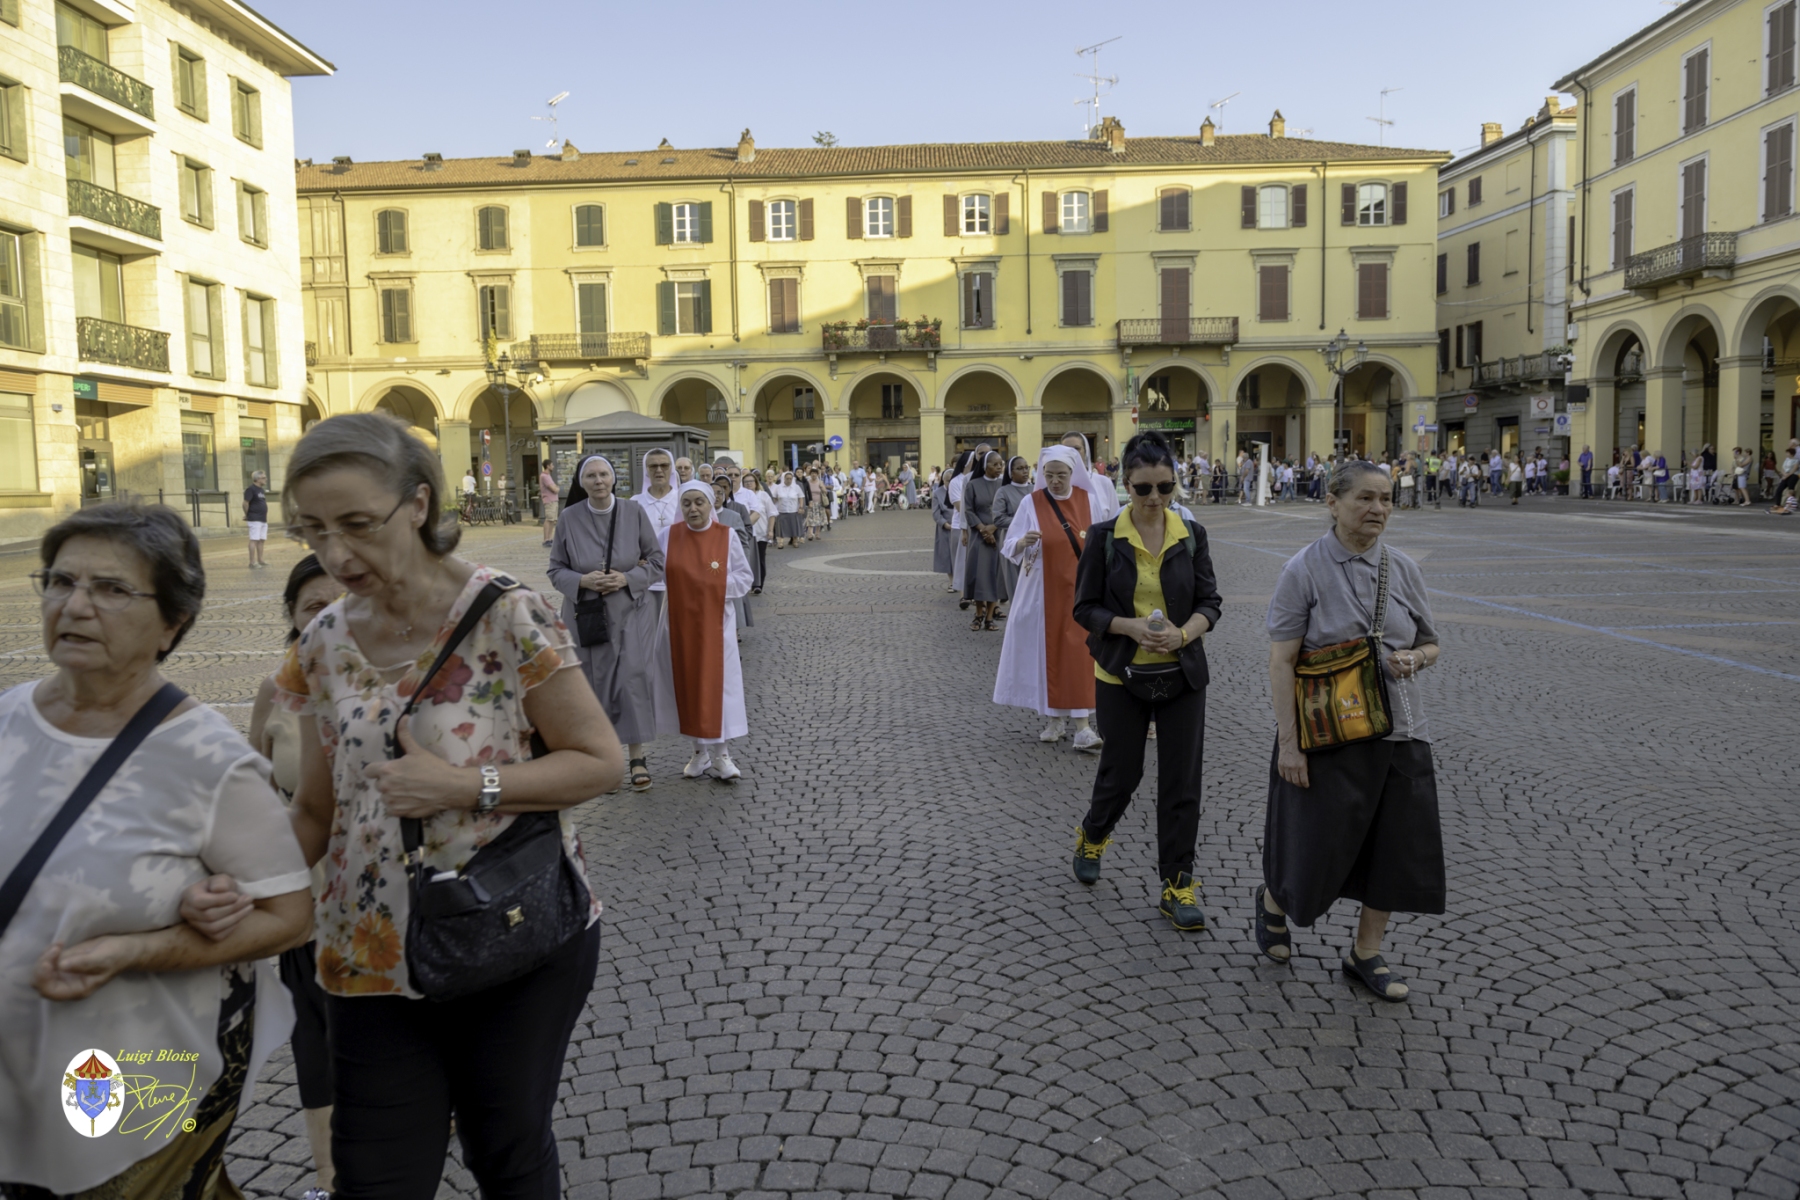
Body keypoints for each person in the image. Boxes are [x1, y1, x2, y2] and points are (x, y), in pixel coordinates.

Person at [251, 412, 624, 1196]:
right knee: (376, 1174)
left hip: (511, 932)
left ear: (418, 504)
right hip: (368, 950)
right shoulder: (319, 641)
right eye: (312, 530)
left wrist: (466, 786)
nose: (335, 553)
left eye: (357, 524)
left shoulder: (507, 615)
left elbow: (600, 762)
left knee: (505, 1149)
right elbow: (316, 815)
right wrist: (241, 883)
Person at [1, 502, 312, 1197]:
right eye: (59, 581)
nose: (75, 605)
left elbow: (291, 917)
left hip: (125, 1069)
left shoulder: (208, 760)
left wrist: (135, 948)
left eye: (111, 589)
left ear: (173, 622)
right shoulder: (6, 718)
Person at [1259, 460, 1444, 1003]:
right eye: (1365, 499)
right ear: (1332, 502)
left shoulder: (1404, 568)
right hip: (1328, 730)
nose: (1378, 510)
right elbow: (1281, 661)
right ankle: (1274, 900)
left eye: (1386, 499)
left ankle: (1366, 953)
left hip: (1401, 730)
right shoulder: (1303, 569)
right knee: (1318, 844)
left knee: (1394, 847)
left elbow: (1433, 643)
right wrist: (1289, 746)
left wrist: (1415, 657)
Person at [1068, 430, 1222, 931]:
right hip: (1120, 673)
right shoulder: (1105, 536)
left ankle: (1177, 884)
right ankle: (1093, 834)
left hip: (1182, 673)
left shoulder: (1191, 534)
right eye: (1143, 489)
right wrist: (1129, 626)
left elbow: (1209, 603)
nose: (1155, 499)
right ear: (1124, 485)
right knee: (1122, 772)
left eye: (1165, 487)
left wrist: (1183, 634)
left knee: (1182, 782)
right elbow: (1084, 608)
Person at [240, 554, 341, 1200]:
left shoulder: (396, 678)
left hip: (389, 905)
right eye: (311, 606)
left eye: (341, 601)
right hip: (305, 900)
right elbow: (249, 785)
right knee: (316, 1041)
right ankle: (331, 1179)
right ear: (293, 618)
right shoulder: (275, 693)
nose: (327, 616)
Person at [548, 454, 665, 793]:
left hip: (630, 610)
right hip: (586, 614)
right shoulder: (569, 518)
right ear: (581, 483)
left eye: (603, 474)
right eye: (591, 476)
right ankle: (606, 760)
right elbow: (556, 569)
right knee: (593, 686)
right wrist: (584, 582)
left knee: (631, 679)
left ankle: (637, 756)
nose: (598, 481)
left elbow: (657, 561)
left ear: (614, 479)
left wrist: (626, 579)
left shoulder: (633, 512)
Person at [995, 447, 1102, 753]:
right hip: (1042, 591)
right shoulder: (1032, 501)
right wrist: (1022, 542)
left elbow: (1105, 540)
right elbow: (1011, 543)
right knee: (1048, 654)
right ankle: (1055, 719)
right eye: (1049, 475)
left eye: (1062, 475)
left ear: (1073, 473)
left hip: (1082, 591)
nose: (1055, 481)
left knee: (1079, 655)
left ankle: (1083, 726)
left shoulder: (1089, 500)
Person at [650, 482, 754, 781]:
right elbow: (653, 574)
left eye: (699, 502)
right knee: (688, 684)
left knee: (717, 687)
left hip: (717, 627)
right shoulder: (667, 536)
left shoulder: (727, 536)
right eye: (686, 503)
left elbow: (743, 577)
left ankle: (721, 755)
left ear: (711, 504)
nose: (693, 509)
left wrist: (709, 587)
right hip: (677, 626)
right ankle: (699, 752)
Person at [962, 452, 1008, 631]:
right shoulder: (973, 485)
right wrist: (983, 529)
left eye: (1001, 464)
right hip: (978, 536)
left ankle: (990, 617)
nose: (999, 468)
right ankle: (978, 615)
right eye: (995, 464)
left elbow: (1008, 510)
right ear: (985, 466)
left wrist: (994, 528)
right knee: (980, 576)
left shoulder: (1003, 486)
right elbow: (968, 510)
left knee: (994, 576)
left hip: (999, 535)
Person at [713, 473, 756, 633]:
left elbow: (743, 542)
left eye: (720, 492)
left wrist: (742, 562)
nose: (717, 496)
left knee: (732, 600)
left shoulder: (734, 515)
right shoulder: (702, 517)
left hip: (728, 565)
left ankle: (734, 629)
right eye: (713, 493)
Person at [991, 455, 1033, 603]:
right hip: (1012, 539)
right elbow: (998, 518)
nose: (1025, 471)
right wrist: (1023, 523)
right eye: (1020, 468)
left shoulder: (1035, 490)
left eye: (1026, 467)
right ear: (1010, 472)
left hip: (1034, 540)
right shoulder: (1004, 491)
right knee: (1015, 582)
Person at [1060, 432, 1117, 521]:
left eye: (1077, 448)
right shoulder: (1056, 485)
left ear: (1085, 451)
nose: (1071, 452)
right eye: (1066, 449)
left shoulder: (1104, 483)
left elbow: (1115, 520)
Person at [635, 448, 681, 541]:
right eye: (653, 466)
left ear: (671, 469)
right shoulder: (635, 502)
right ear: (646, 470)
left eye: (664, 465)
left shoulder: (682, 499)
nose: (659, 470)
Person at [741, 470, 776, 589]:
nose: (749, 484)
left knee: (760, 559)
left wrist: (770, 530)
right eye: (746, 482)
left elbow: (772, 513)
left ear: (756, 483)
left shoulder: (763, 495)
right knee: (746, 559)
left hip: (761, 533)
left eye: (751, 481)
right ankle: (748, 583)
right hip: (746, 534)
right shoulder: (741, 496)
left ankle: (759, 584)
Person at [932, 460, 958, 591]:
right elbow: (936, 513)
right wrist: (945, 524)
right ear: (943, 480)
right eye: (947, 480)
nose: (950, 482)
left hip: (959, 526)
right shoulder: (937, 493)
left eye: (952, 480)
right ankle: (952, 582)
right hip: (946, 528)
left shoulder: (960, 490)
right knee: (948, 556)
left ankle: (961, 582)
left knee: (960, 555)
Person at [770, 470, 806, 547]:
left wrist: (801, 507)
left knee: (794, 526)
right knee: (781, 527)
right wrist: (771, 505)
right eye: (787, 478)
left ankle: (795, 541)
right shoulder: (778, 487)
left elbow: (801, 497)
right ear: (784, 479)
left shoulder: (796, 487)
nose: (789, 480)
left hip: (794, 510)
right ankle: (781, 542)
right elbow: (774, 498)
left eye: (790, 478)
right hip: (782, 510)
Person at [244, 469, 271, 568]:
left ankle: (261, 560)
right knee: (254, 539)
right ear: (257, 479)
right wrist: (247, 515)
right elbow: (245, 503)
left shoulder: (261, 490)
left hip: (262, 518)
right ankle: (252, 562)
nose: (266, 479)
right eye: (264, 478)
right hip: (254, 518)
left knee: (261, 540)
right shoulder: (251, 489)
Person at [538, 463, 560, 547]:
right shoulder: (544, 476)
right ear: (548, 466)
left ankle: (550, 538)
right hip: (549, 500)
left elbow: (555, 487)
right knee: (549, 519)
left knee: (552, 520)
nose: (553, 466)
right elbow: (554, 488)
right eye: (552, 465)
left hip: (553, 500)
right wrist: (557, 488)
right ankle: (546, 539)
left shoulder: (548, 476)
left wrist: (556, 488)